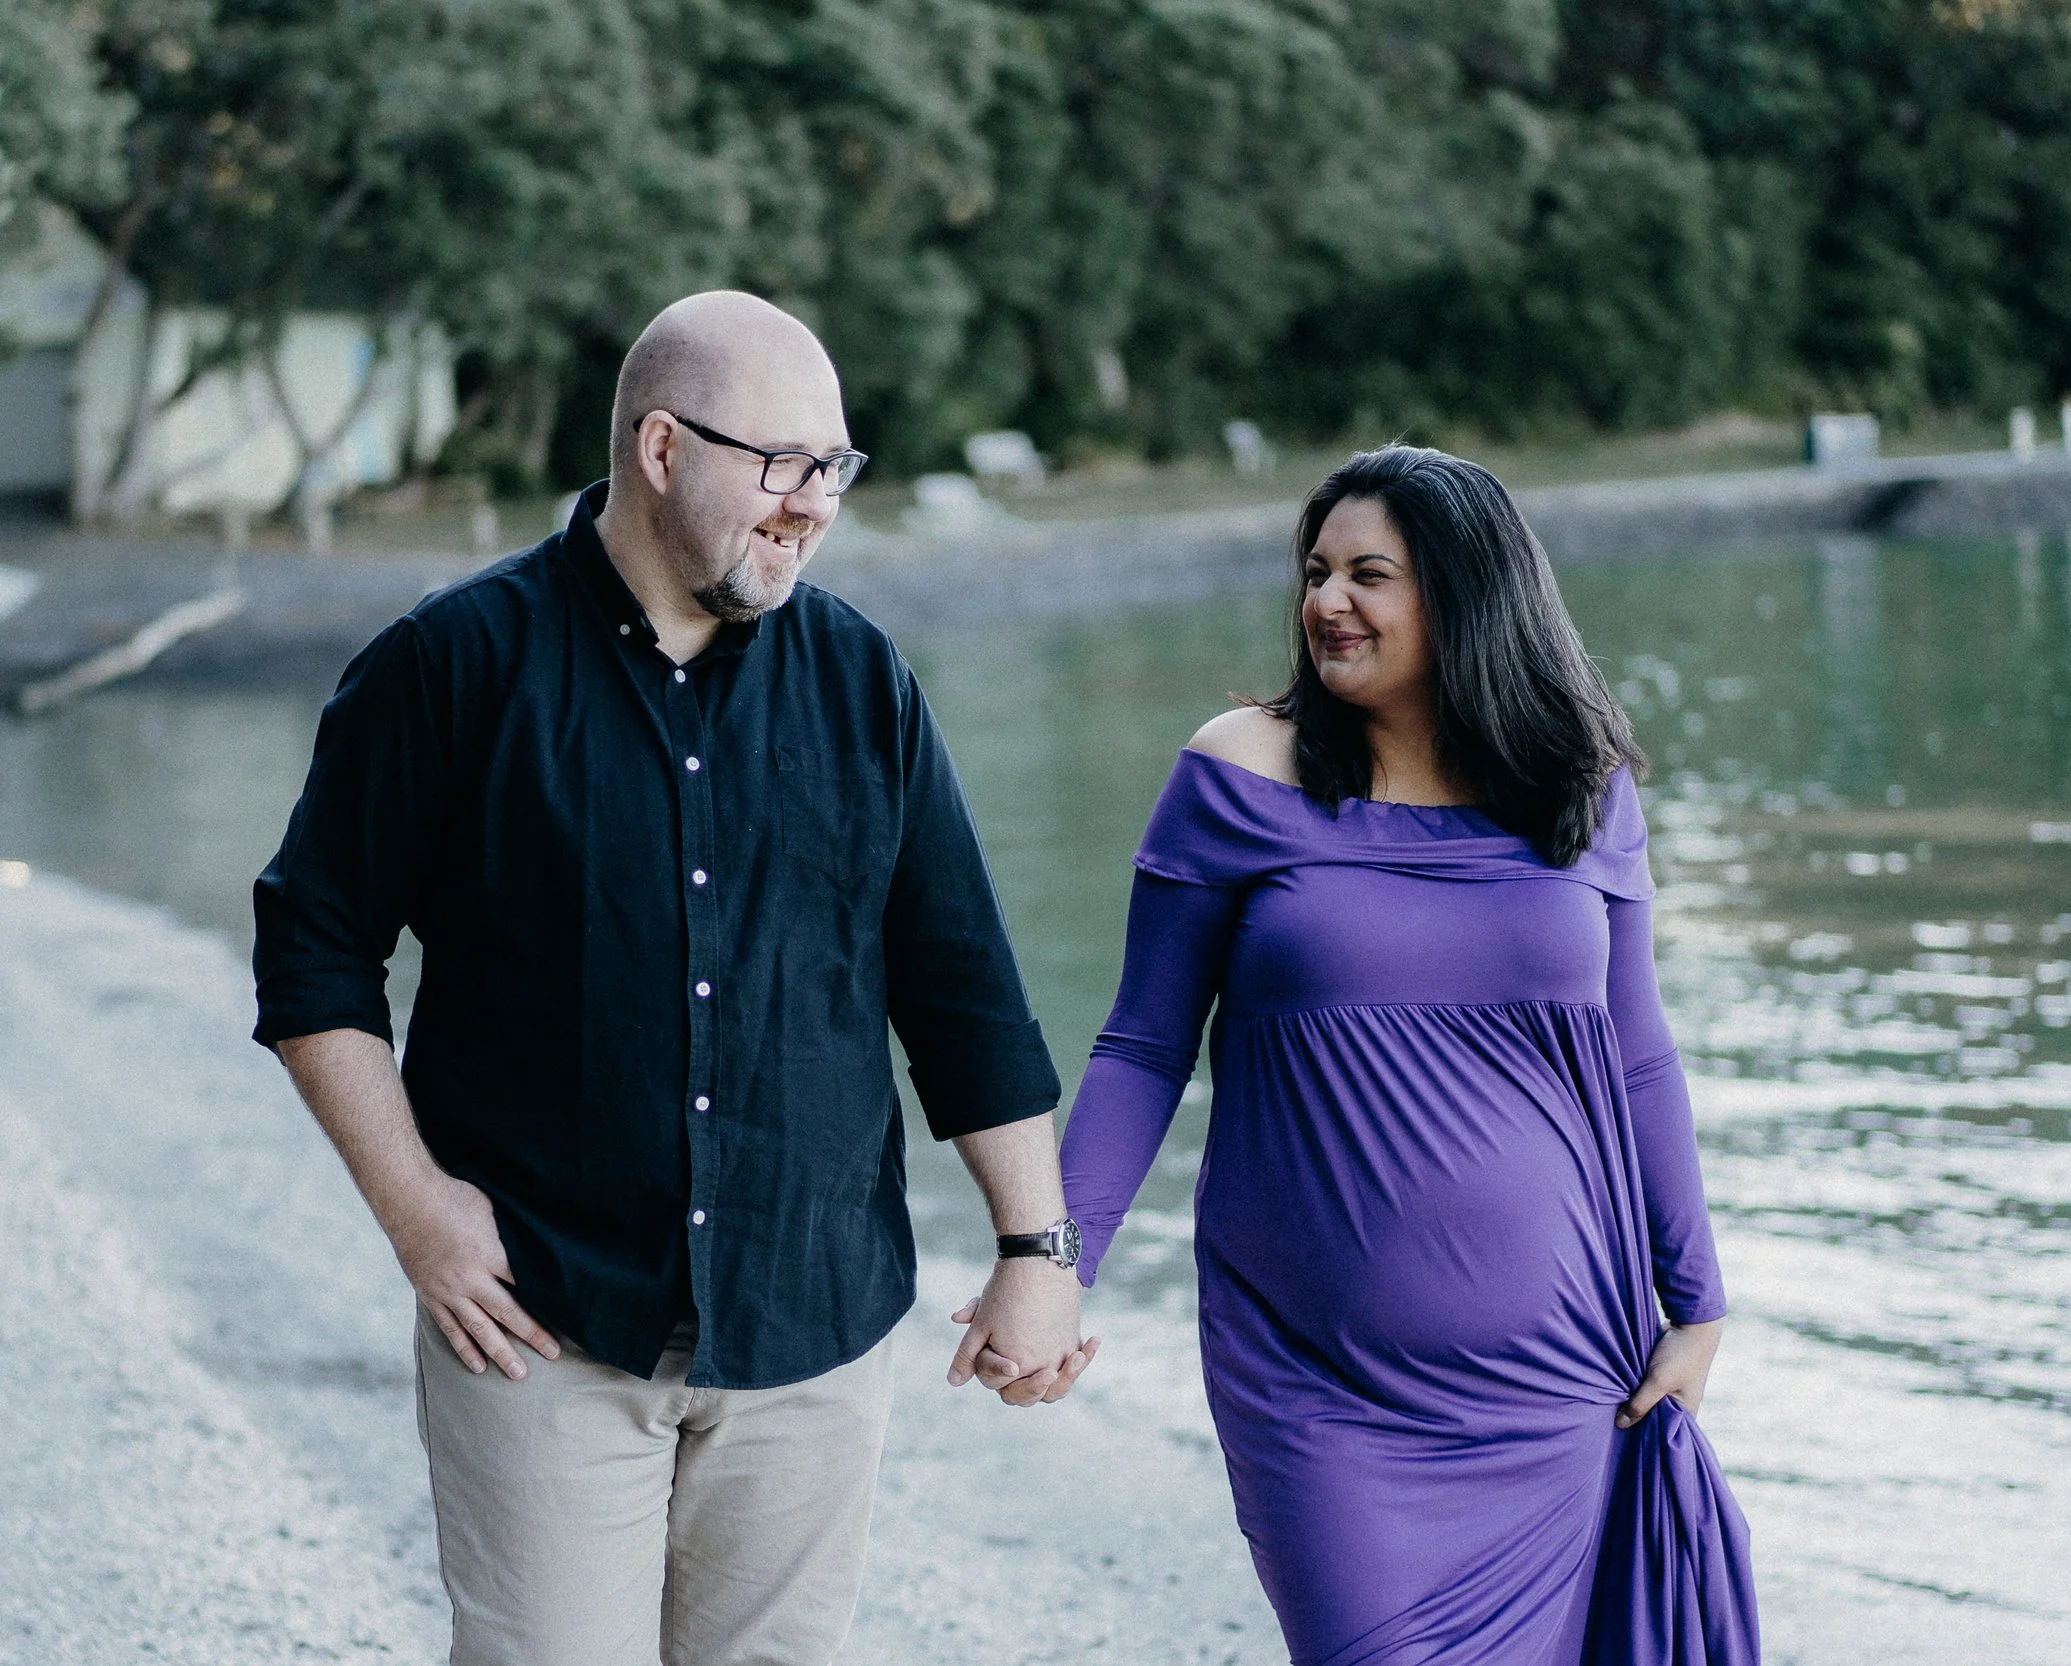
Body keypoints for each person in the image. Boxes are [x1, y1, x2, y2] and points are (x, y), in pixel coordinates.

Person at [251, 290, 1095, 1666]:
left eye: (834, 469)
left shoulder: (861, 678)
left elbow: (961, 991)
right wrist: (419, 1214)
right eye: (782, 466)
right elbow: (311, 950)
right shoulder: (453, 665)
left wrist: (1034, 1251)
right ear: (660, 448)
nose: (812, 505)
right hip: (543, 1319)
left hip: (812, 1321)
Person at [1058, 445, 1757, 1665]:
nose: (1328, 600)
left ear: (1466, 594)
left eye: (1367, 574)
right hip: (1320, 1389)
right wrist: (1056, 1259)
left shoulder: (1579, 791)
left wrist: (1696, 1303)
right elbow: (1141, 1044)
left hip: (1561, 1378)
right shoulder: (1239, 769)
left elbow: (1638, 1056)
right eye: (1316, 572)